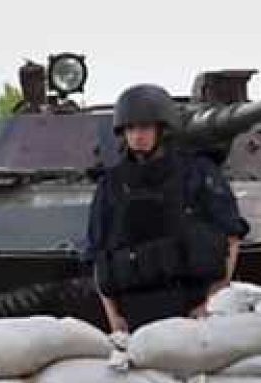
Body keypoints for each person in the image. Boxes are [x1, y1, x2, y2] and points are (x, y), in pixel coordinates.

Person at [87, 84, 249, 333]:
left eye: (144, 127)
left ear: (162, 130)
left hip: (195, 307)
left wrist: (211, 302)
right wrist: (114, 317)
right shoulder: (112, 184)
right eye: (130, 129)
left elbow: (231, 237)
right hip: (134, 312)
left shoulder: (197, 173)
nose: (137, 136)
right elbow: (99, 256)